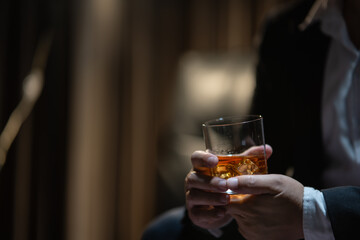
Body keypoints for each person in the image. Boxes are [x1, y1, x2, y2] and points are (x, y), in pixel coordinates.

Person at [143, 0, 360, 238]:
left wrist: (314, 212)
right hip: (298, 229)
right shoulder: (287, 30)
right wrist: (221, 207)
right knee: (164, 232)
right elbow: (264, 159)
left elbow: (304, 208)